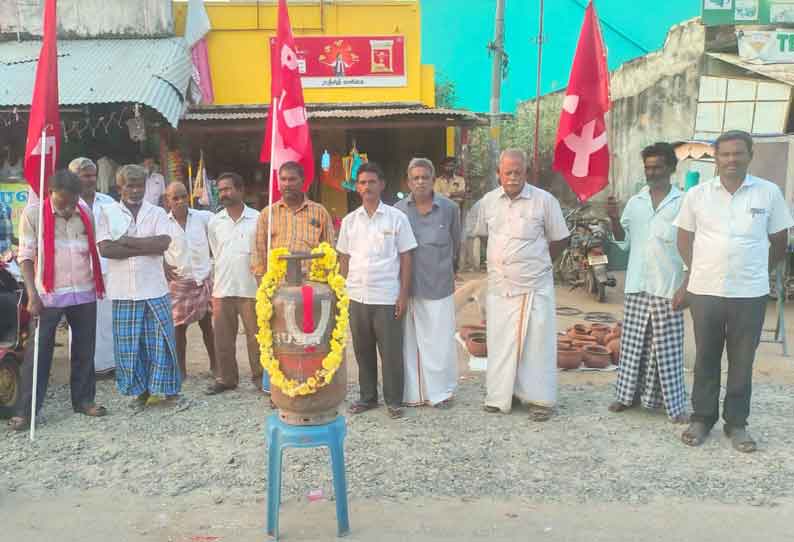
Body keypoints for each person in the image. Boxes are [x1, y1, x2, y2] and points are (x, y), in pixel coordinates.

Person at [675, 130, 794, 453]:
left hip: (750, 293)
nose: (731, 159)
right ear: (715, 157)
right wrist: (696, 269)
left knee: (742, 360)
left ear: (750, 156)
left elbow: (780, 241)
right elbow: (684, 238)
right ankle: (702, 418)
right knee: (706, 357)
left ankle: (737, 423)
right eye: (725, 154)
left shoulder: (768, 193)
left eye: (737, 153)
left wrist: (757, 271)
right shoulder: (697, 195)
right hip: (706, 290)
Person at [474, 149, 570, 420]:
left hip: (534, 287)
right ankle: (501, 396)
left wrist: (540, 263)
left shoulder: (544, 201)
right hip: (500, 288)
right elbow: (484, 236)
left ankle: (539, 400)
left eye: (518, 172)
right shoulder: (488, 202)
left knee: (536, 344)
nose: (513, 177)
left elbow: (561, 239)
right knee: (500, 341)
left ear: (526, 173)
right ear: (498, 174)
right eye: (508, 172)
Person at [9, 170, 107, 431]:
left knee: (85, 350)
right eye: (61, 202)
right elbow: (26, 258)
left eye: (71, 202)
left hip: (84, 291)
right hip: (47, 294)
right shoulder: (33, 215)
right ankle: (27, 411)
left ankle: (84, 401)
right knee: (38, 354)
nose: (66, 208)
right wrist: (32, 294)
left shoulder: (84, 211)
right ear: (50, 194)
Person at [606, 143, 688, 423]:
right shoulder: (636, 202)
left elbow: (692, 247)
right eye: (648, 167)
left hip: (668, 286)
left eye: (658, 167)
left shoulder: (684, 202)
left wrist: (686, 286)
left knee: (665, 348)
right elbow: (623, 241)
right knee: (632, 345)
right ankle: (626, 397)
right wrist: (614, 219)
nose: (652, 172)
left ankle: (672, 405)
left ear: (671, 169)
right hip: (637, 284)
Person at [96, 164, 184, 412]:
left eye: (139, 186)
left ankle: (167, 391)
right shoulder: (108, 213)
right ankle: (140, 392)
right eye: (130, 186)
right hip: (123, 291)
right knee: (129, 345)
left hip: (154, 288)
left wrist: (127, 241)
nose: (135, 190)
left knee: (161, 342)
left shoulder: (156, 212)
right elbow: (107, 249)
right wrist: (144, 246)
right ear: (119, 188)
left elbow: (163, 244)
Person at [337, 162, 417, 419]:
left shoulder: (397, 218)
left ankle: (394, 400)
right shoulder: (350, 221)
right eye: (362, 183)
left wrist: (403, 295)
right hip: (357, 296)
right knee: (362, 349)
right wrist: (342, 293)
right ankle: (368, 397)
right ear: (357, 188)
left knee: (391, 351)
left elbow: (406, 258)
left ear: (382, 185)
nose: (367, 187)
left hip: (386, 296)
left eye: (372, 182)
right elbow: (344, 259)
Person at [395, 158, 460, 408]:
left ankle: (441, 392)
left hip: (439, 285)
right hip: (408, 287)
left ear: (433, 180)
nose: (420, 181)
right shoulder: (398, 210)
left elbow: (456, 244)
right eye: (415, 178)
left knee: (439, 341)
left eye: (425, 177)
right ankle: (414, 394)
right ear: (408, 181)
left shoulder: (449, 208)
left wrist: (449, 271)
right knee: (410, 342)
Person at [207, 172, 262, 395]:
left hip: (251, 289)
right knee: (223, 339)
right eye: (220, 190)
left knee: (256, 337)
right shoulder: (214, 221)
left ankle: (260, 379)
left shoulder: (258, 218)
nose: (224, 194)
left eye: (228, 189)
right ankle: (226, 379)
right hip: (223, 287)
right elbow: (214, 252)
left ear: (241, 190)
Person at [69, 157, 117, 377]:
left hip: (106, 269)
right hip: (76, 271)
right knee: (80, 320)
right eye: (84, 175)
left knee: (107, 318)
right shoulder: (65, 204)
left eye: (92, 175)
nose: (90, 180)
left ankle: (108, 365)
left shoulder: (108, 203)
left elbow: (119, 233)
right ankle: (84, 367)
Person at [163, 182, 216, 379]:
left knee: (207, 326)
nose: (181, 201)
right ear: (167, 201)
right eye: (175, 198)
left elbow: (219, 236)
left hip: (202, 281)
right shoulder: (162, 223)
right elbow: (155, 245)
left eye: (184, 196)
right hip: (179, 283)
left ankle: (215, 365)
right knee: (179, 329)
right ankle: (180, 370)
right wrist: (163, 265)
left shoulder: (203, 218)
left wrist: (213, 260)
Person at [252, 161, 336, 280]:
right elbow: (259, 253)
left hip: (312, 283)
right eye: (283, 179)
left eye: (292, 179)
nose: (287, 184)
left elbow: (330, 250)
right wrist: (263, 287)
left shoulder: (319, 212)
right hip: (278, 285)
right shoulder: (267, 213)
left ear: (302, 181)